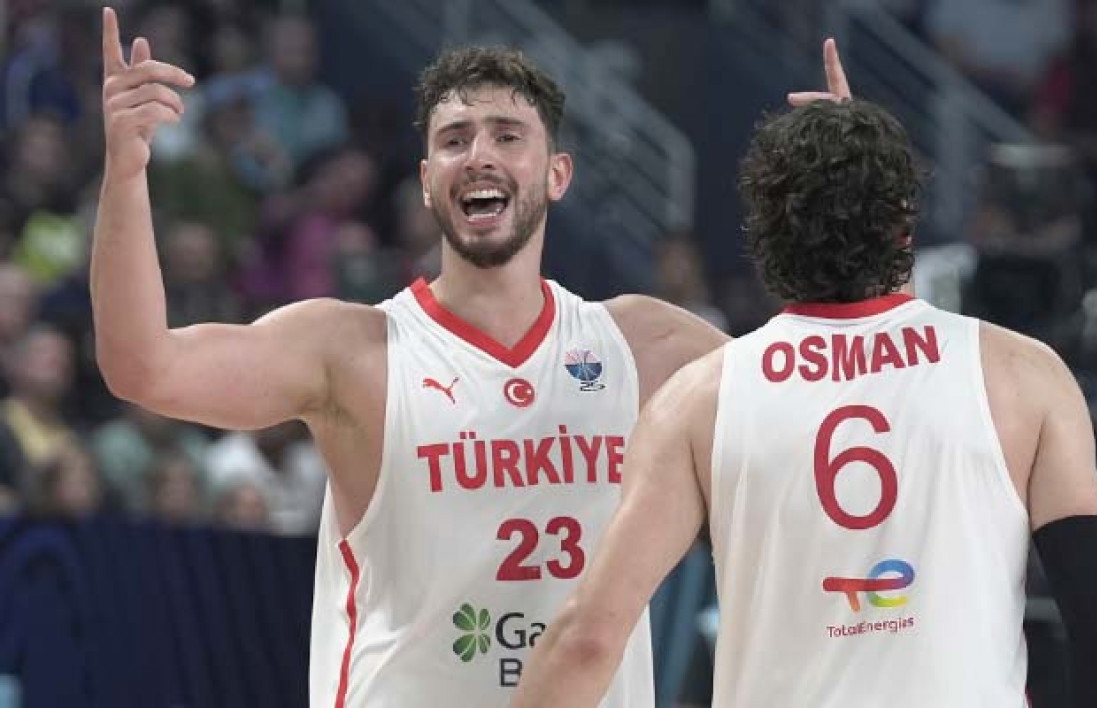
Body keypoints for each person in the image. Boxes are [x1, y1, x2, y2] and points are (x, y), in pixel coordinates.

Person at [91, 8, 849, 705]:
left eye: (507, 136)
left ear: (557, 174)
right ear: (427, 183)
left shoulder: (645, 348)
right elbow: (143, 367)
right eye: (454, 140)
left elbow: (828, 412)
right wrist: (125, 173)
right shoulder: (354, 350)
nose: (479, 155)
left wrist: (850, 193)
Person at [512, 99, 1097, 706]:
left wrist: (837, 167)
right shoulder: (1023, 374)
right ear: (903, 221)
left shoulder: (698, 400)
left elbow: (589, 641)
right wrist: (861, 164)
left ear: (764, 234)